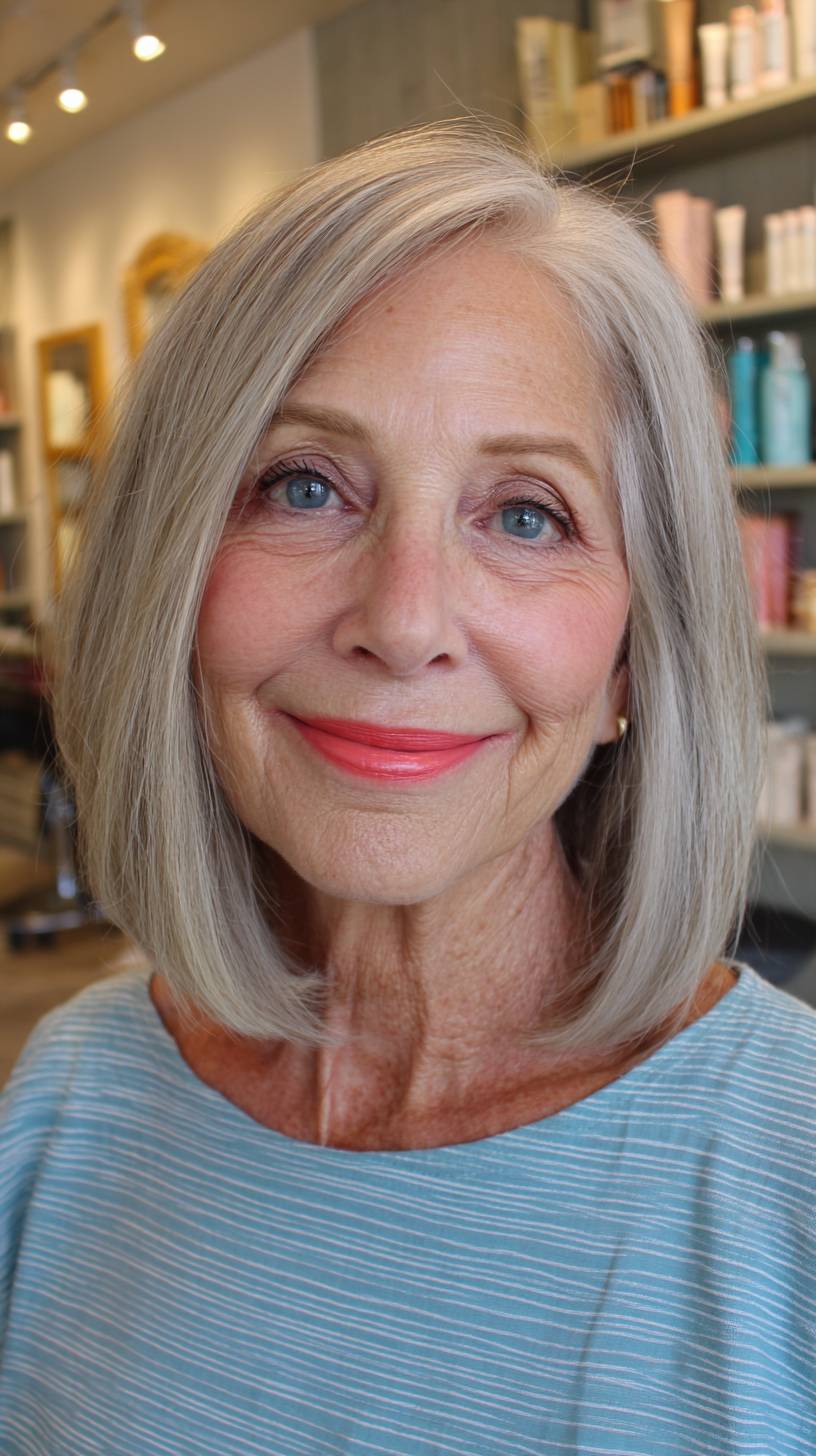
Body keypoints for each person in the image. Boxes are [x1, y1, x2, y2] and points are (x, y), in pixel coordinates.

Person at [1, 121, 814, 1455]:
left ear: (632, 651)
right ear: (171, 573)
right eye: (304, 486)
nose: (405, 619)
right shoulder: (70, 1099)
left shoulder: (793, 1165)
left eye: (527, 514)